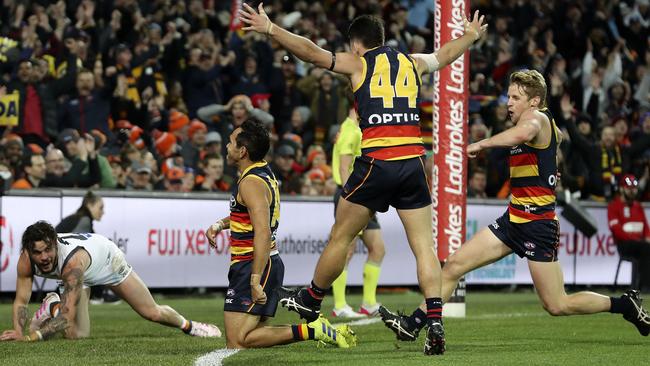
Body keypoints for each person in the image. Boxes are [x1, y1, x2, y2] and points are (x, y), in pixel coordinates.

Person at [239, 3, 487, 355]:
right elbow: (445, 55)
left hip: (377, 162)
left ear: (356, 44)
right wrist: (471, 36)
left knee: (342, 235)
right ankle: (434, 321)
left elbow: (311, 53)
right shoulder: (411, 63)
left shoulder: (359, 63)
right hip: (413, 163)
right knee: (424, 247)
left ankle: (311, 301)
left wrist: (271, 29)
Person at [378, 70, 650, 342]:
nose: (508, 102)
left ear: (534, 101)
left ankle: (625, 305)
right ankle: (413, 324)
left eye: (515, 97)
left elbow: (525, 133)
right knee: (453, 266)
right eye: (508, 96)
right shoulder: (544, 123)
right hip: (514, 220)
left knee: (557, 304)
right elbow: (552, 139)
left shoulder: (536, 119)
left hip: (538, 226)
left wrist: (482, 143)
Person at [204, 119, 355, 349]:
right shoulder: (260, 171)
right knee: (249, 333)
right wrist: (219, 224)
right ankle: (312, 330)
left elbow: (262, 231)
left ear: (242, 151)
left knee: (237, 341)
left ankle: (312, 330)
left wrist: (255, 280)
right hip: (260, 263)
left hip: (253, 264)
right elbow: (248, 216)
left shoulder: (251, 182)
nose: (227, 146)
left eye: (231, 142)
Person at [0, 221, 221, 342]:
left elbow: (65, 319)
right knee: (76, 336)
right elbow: (21, 300)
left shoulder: (72, 264)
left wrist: (32, 337)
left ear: (56, 244)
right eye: (38, 252)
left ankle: (191, 326)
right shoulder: (26, 260)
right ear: (28, 250)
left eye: (48, 249)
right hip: (75, 277)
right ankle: (54, 305)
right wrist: (18, 332)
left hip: (107, 261)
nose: (44, 257)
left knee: (151, 312)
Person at [330, 91, 385, 318]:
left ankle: (368, 303)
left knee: (378, 248)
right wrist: (349, 196)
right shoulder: (350, 132)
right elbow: (344, 168)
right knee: (347, 249)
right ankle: (339, 305)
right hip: (352, 196)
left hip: (364, 195)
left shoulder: (355, 129)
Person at [55, 191, 119, 304]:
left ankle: (96, 293)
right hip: (60, 261)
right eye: (101, 207)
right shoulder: (84, 220)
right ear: (89, 205)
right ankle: (97, 294)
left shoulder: (78, 218)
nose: (103, 212)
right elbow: (78, 247)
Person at [608, 174, 650, 291]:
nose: (632, 192)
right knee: (646, 248)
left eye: (634, 189)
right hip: (624, 245)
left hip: (640, 244)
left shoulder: (638, 206)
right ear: (621, 189)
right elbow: (617, 231)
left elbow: (646, 227)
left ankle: (643, 284)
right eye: (629, 189)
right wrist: (635, 239)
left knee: (646, 247)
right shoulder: (614, 206)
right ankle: (646, 286)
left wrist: (647, 237)